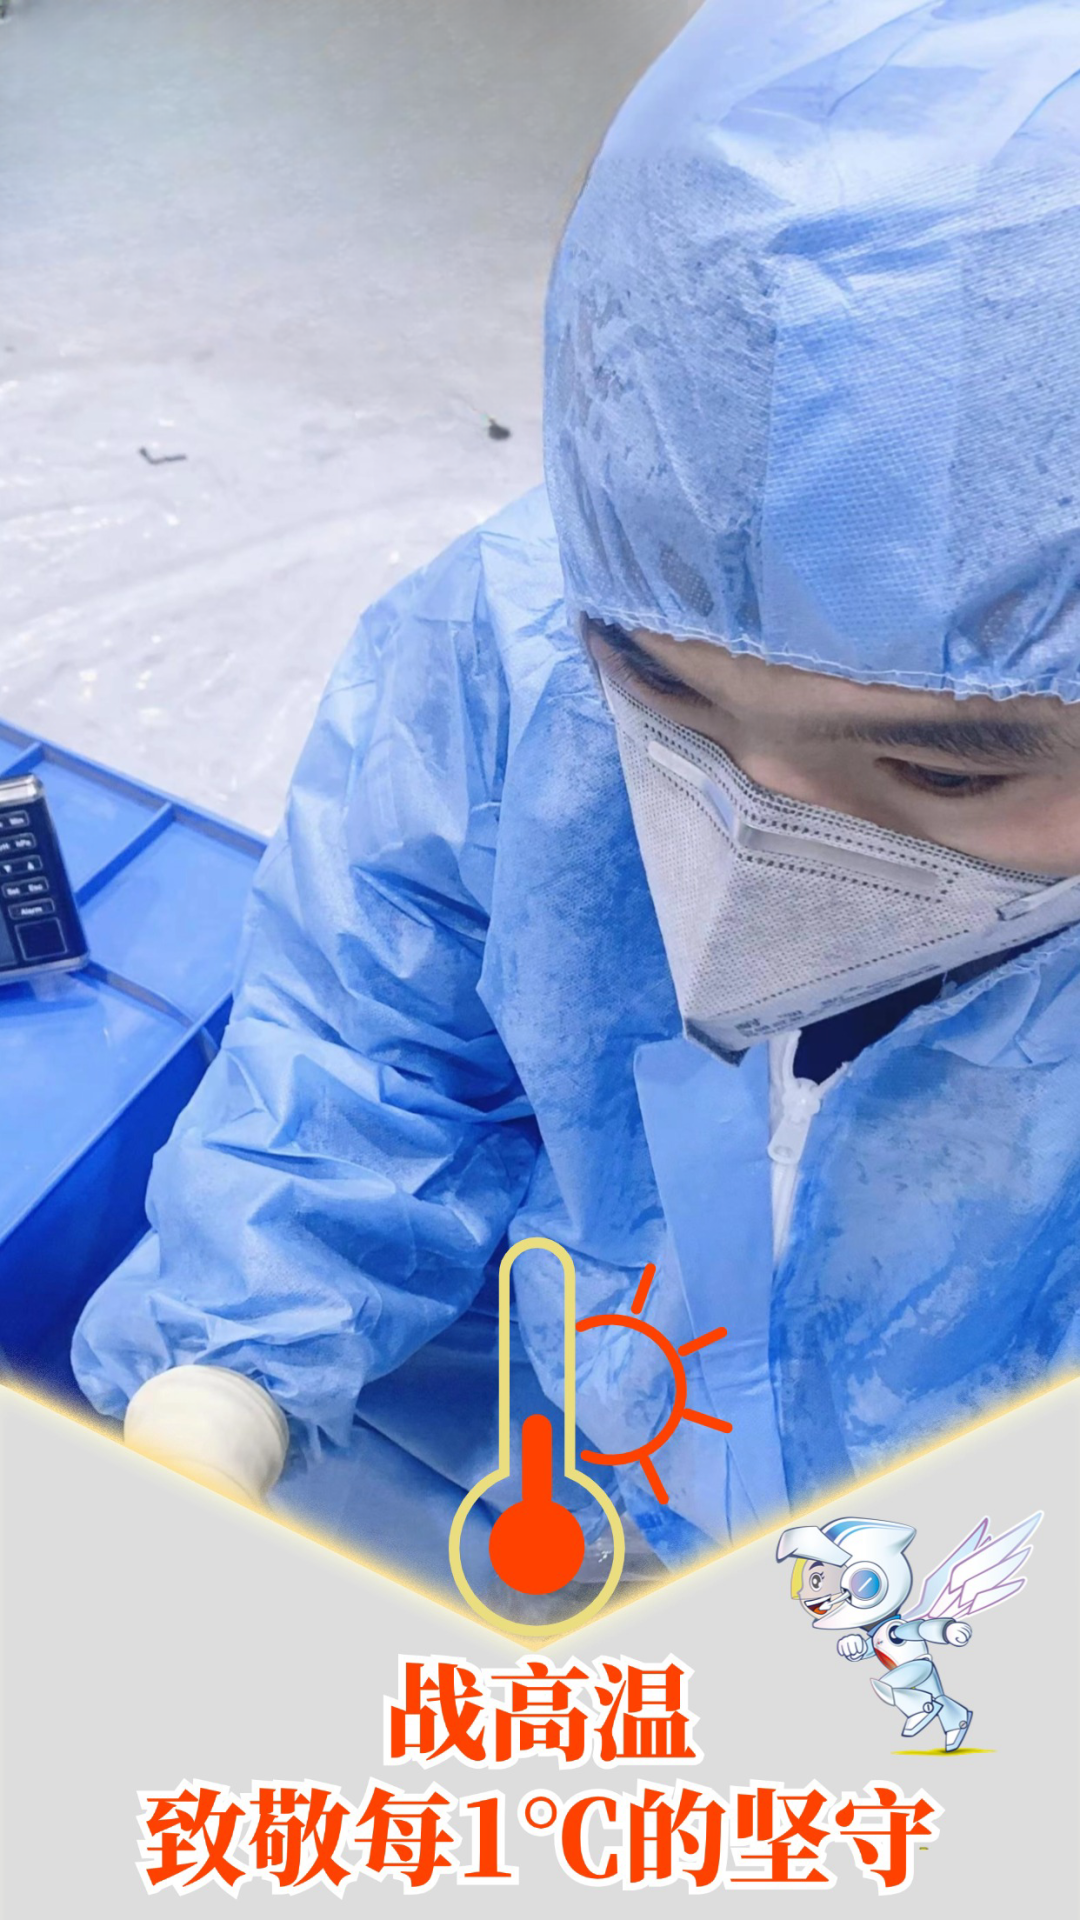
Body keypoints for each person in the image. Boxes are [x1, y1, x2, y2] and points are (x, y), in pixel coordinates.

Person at [73, 0, 1080, 1600]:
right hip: (601, 1478)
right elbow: (376, 1034)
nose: (755, 854)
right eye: (665, 701)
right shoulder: (519, 648)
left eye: (946, 766)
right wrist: (228, 1367)